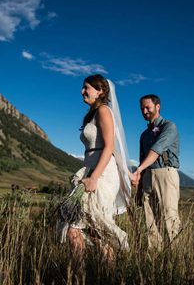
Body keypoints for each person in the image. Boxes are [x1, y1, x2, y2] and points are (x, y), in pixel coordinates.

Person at [57, 74, 131, 270]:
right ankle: (99, 277)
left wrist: (94, 178)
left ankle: (85, 278)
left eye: (86, 87)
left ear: (100, 91)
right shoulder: (91, 115)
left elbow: (109, 147)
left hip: (101, 174)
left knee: (78, 227)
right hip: (90, 169)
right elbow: (112, 149)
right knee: (91, 231)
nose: (82, 91)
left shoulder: (104, 111)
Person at [131, 94, 180, 250]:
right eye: (142, 109)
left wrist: (138, 169)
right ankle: (155, 261)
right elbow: (142, 162)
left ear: (158, 107)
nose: (144, 111)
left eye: (147, 107)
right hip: (147, 178)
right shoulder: (144, 135)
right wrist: (139, 190)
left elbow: (156, 151)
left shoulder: (169, 127)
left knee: (169, 219)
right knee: (150, 221)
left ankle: (175, 259)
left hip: (165, 174)